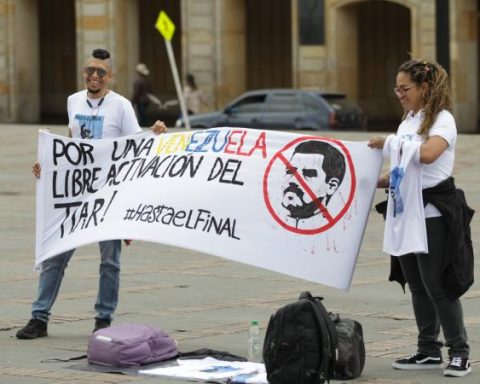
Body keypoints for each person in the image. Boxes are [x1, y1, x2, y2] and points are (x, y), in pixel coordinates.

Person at [16, 48, 167, 339]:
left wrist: (155, 133)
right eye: (90, 70)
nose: (94, 76)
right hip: (75, 192)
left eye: (101, 72)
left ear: (110, 76)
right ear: (84, 73)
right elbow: (71, 144)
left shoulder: (121, 106)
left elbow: (136, 146)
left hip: (108, 193)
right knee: (56, 254)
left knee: (110, 260)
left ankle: (103, 319)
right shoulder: (73, 101)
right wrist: (47, 164)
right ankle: (39, 317)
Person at [368, 59, 473, 377]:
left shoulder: (442, 120)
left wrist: (388, 143)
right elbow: (405, 168)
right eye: (396, 88)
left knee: (437, 285)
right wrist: (371, 178)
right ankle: (428, 350)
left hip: (433, 213)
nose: (398, 94)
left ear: (425, 88)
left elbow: (428, 155)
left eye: (405, 88)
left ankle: (459, 352)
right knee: (416, 285)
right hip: (405, 211)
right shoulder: (409, 121)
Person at [281, 140, 345, 228]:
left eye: (308, 174)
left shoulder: (340, 230)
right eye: (290, 171)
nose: (293, 180)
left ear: (331, 186)